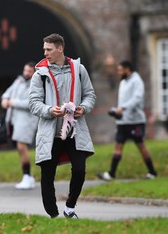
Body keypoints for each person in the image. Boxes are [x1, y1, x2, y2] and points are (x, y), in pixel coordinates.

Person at [29, 33, 96, 219]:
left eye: (49, 49)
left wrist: (84, 108)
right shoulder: (39, 75)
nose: (45, 53)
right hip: (51, 133)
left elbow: (90, 95)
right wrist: (50, 110)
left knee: (80, 169)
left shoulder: (79, 69)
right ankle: (53, 216)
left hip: (75, 130)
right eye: (44, 49)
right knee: (48, 175)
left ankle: (69, 207)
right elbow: (33, 103)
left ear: (60, 49)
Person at [97, 60, 158, 181]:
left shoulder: (137, 81)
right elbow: (123, 102)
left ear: (127, 69)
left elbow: (137, 98)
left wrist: (123, 108)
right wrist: (117, 110)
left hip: (135, 121)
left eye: (120, 69)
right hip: (123, 121)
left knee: (141, 145)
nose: (119, 72)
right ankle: (111, 173)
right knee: (118, 146)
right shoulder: (124, 81)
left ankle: (152, 172)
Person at [1, 62, 38, 189]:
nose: (26, 73)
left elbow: (32, 103)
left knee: (22, 146)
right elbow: (7, 93)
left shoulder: (37, 85)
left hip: (27, 120)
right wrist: (5, 100)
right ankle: (28, 176)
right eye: (25, 70)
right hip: (13, 119)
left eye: (29, 71)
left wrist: (13, 102)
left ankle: (27, 176)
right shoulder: (19, 81)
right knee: (19, 147)